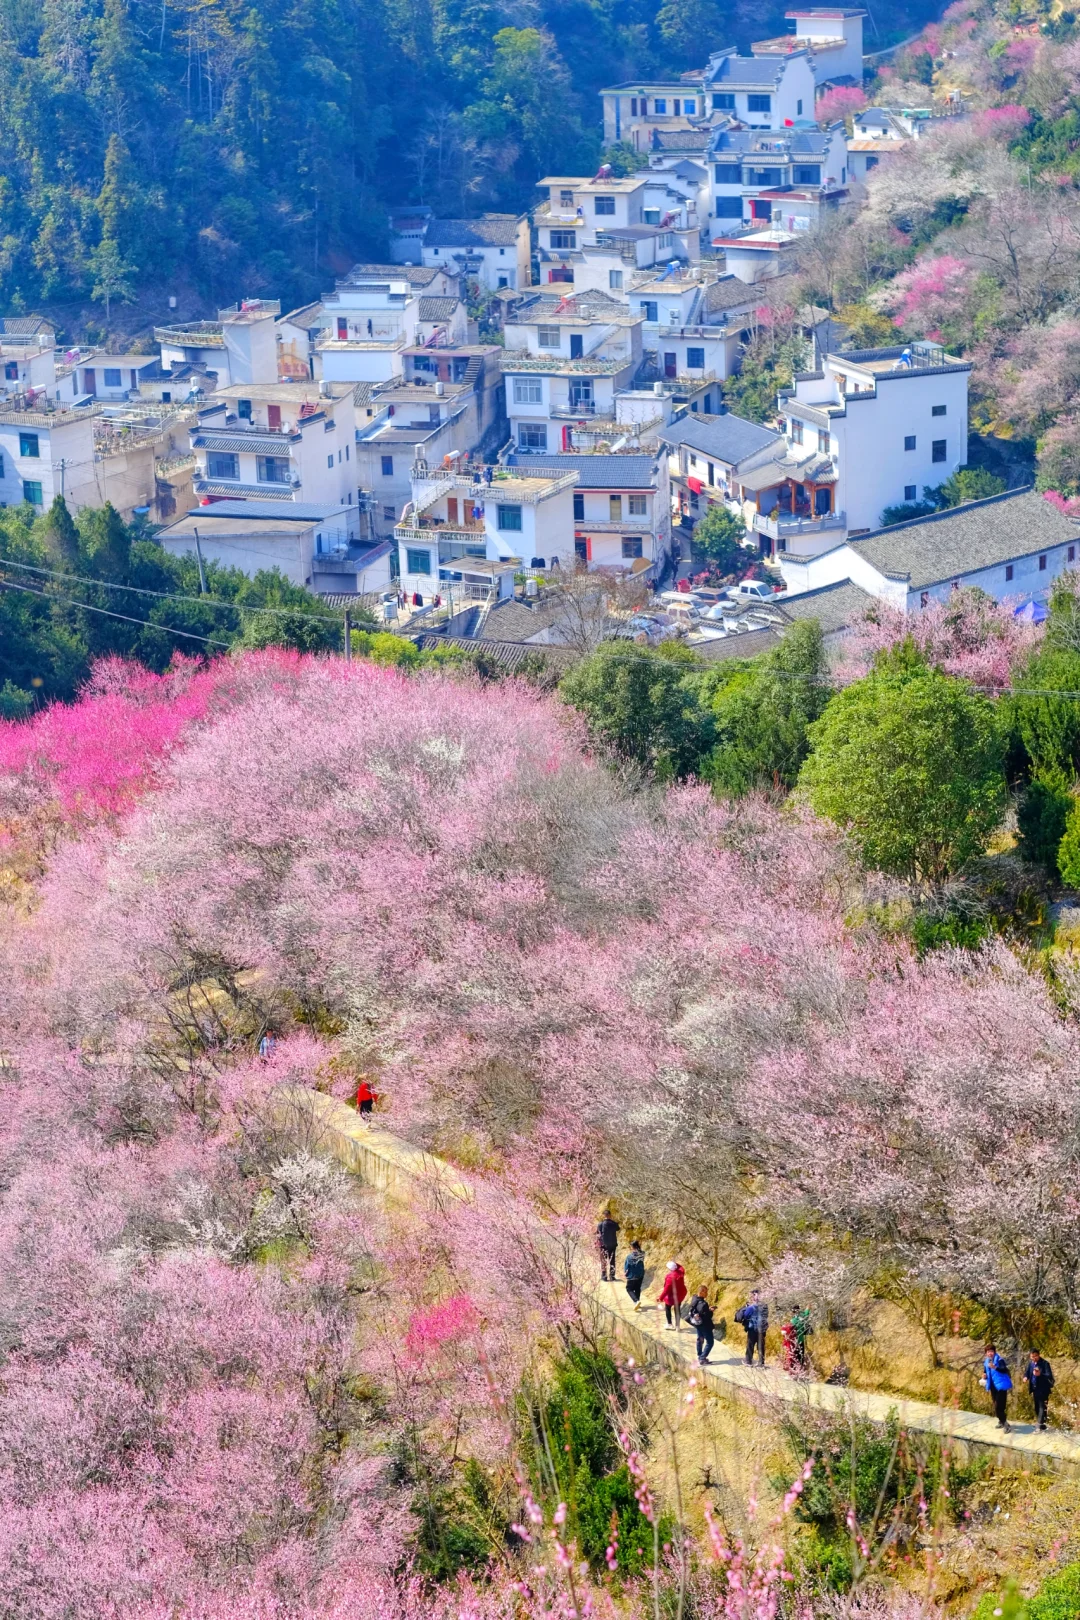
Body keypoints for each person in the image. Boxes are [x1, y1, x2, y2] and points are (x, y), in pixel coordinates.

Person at [983, 1343, 1013, 1432]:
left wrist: (995, 1367)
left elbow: (1004, 1369)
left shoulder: (999, 1360)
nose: (990, 1353)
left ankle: (1006, 1424)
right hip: (993, 1386)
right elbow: (985, 1371)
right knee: (999, 1405)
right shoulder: (986, 1362)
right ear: (986, 1353)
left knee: (998, 1407)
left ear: (995, 1352)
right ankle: (1001, 1421)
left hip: (1001, 1386)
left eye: (991, 1351)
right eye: (988, 1352)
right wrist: (984, 1375)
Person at [735, 1289, 768, 1367]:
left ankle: (748, 1361)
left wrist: (746, 1308)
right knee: (761, 1346)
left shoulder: (751, 1307)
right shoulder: (765, 1306)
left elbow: (746, 1315)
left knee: (750, 1345)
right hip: (762, 1329)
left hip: (753, 1329)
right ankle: (761, 1362)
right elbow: (766, 1316)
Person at [1025, 1349, 1055, 1431]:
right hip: (1035, 1388)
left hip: (1043, 1388)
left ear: (1039, 1355)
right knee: (1037, 1406)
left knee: (1042, 1406)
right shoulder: (1031, 1364)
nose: (1034, 1358)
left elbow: (1049, 1375)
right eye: (1032, 1356)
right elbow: (1028, 1372)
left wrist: (1040, 1374)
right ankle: (1042, 1424)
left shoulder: (1045, 1364)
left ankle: (1040, 1423)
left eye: (1035, 1356)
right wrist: (1025, 1377)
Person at [687, 1285, 715, 1365]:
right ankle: (702, 1358)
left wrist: (707, 1310)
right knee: (710, 1342)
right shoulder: (703, 1304)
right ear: (701, 1292)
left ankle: (700, 1355)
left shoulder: (694, 1298)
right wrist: (710, 1311)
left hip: (697, 1324)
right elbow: (707, 1316)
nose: (707, 1294)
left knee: (700, 1339)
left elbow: (700, 1312)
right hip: (705, 1326)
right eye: (705, 1292)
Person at [657, 1261, 687, 1331]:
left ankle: (669, 1324)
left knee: (668, 1308)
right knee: (677, 1309)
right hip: (680, 1294)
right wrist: (675, 1264)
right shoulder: (681, 1272)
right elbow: (680, 1266)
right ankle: (678, 1326)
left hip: (671, 1296)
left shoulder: (670, 1277)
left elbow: (666, 1290)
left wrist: (661, 1298)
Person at [596, 1210, 619, 1281]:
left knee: (603, 1261)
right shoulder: (614, 1223)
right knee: (612, 1260)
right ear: (610, 1215)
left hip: (603, 1246)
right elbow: (618, 1228)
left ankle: (604, 1276)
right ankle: (612, 1276)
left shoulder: (600, 1224)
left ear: (604, 1215)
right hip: (612, 1245)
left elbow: (598, 1232)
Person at [623, 1240, 645, 1309]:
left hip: (632, 1275)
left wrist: (625, 1273)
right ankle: (637, 1302)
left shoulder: (629, 1257)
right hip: (640, 1274)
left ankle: (636, 1301)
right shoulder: (643, 1254)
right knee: (637, 1288)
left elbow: (627, 1267)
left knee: (629, 1289)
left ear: (632, 1247)